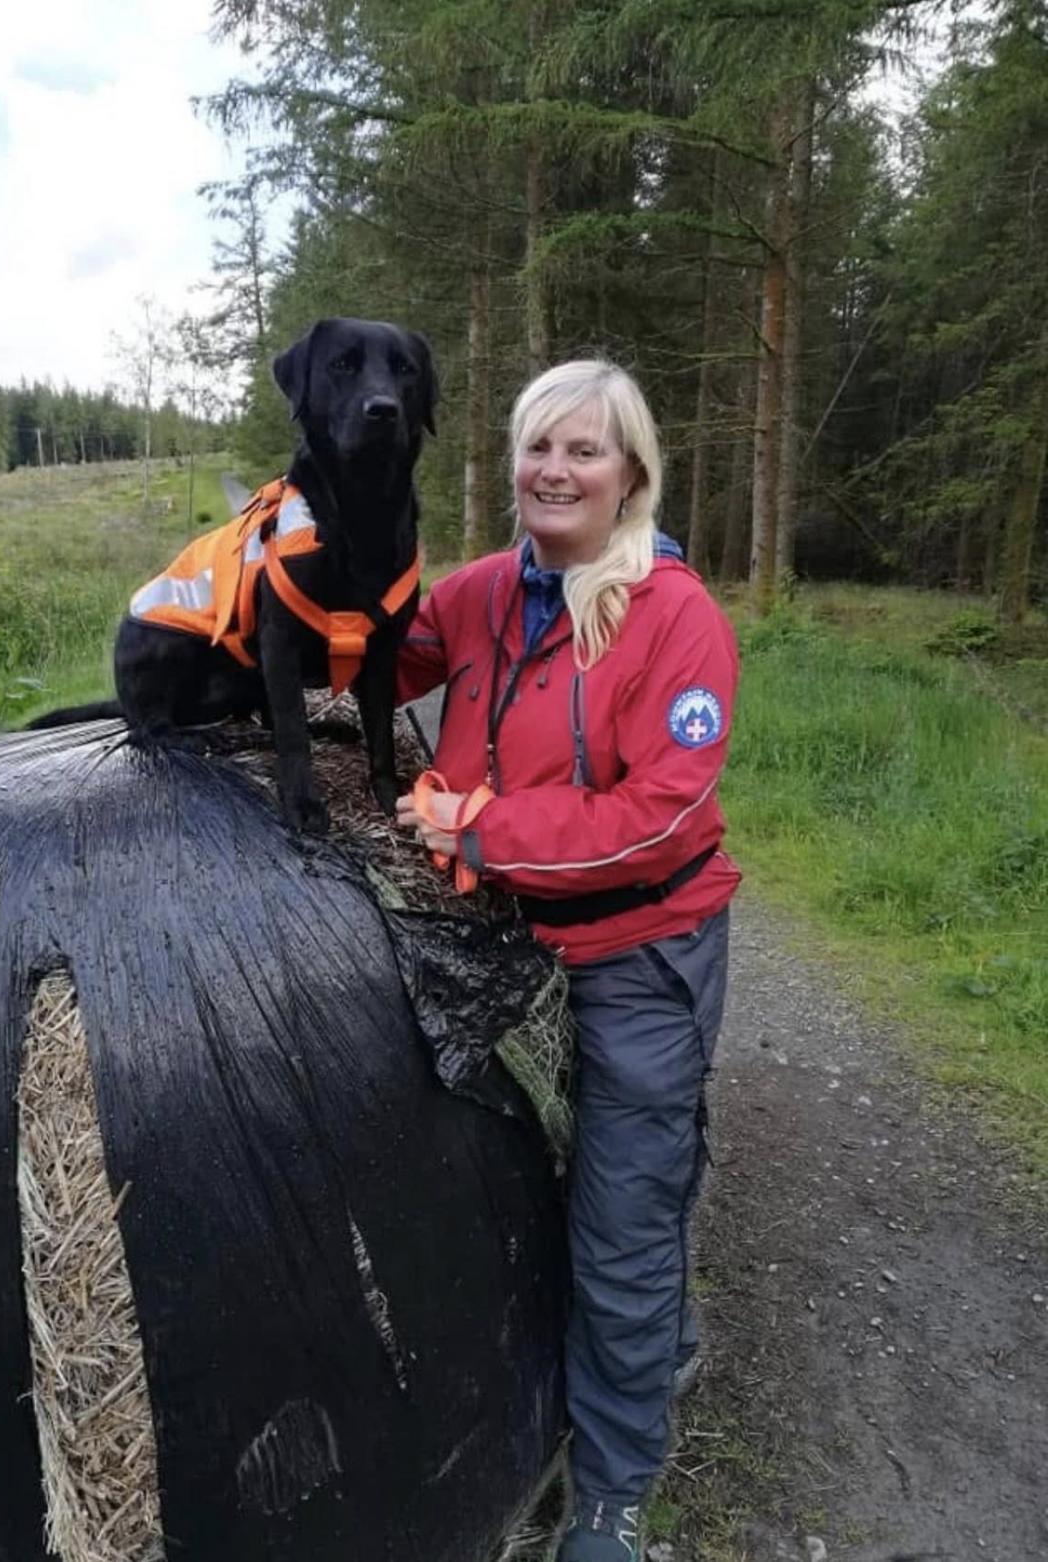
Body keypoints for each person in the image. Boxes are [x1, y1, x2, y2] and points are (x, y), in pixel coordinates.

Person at [395, 360, 740, 1561]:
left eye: (585, 450)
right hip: (509, 934)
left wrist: (482, 829)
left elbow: (660, 812)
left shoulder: (676, 617)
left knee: (622, 1217)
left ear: (631, 473)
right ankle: (639, 1338)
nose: (556, 468)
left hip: (642, 946)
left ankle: (610, 1496)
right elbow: (373, 667)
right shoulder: (487, 592)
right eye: (539, 445)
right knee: (518, 1170)